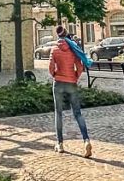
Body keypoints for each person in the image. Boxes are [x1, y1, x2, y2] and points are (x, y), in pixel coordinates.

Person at [48, 25, 92, 157]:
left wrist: (55, 74)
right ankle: (86, 140)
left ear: (57, 36)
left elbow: (50, 68)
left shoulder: (54, 49)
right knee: (77, 113)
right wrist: (75, 77)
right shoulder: (73, 49)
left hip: (59, 83)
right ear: (67, 35)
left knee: (59, 113)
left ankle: (60, 144)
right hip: (71, 82)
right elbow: (79, 66)